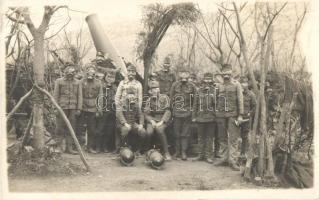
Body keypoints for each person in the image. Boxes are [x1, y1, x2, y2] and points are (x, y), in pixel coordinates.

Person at [214, 64, 244, 171]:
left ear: (231, 73)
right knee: (222, 137)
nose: (226, 75)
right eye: (224, 73)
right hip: (221, 115)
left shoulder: (237, 85)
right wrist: (216, 113)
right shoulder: (218, 85)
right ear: (222, 73)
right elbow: (215, 100)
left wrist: (240, 115)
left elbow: (240, 100)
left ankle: (233, 161)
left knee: (233, 138)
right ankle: (223, 158)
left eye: (228, 73)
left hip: (233, 115)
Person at [115, 63, 146, 153]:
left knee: (140, 131)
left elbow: (139, 98)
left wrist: (137, 111)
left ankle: (137, 149)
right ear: (127, 72)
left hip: (133, 111)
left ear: (135, 73)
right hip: (122, 111)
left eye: (133, 71)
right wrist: (118, 108)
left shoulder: (138, 84)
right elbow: (117, 96)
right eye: (129, 71)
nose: (131, 73)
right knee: (125, 130)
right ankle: (121, 148)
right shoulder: (122, 83)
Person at [53, 64, 82, 154]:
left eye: (72, 72)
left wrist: (79, 109)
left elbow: (80, 96)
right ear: (65, 71)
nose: (70, 73)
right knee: (59, 127)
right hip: (62, 107)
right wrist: (55, 108)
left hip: (73, 108)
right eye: (68, 71)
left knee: (72, 128)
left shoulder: (77, 82)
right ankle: (58, 146)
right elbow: (55, 95)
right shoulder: (59, 81)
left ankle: (69, 148)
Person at [170, 70, 197, 160]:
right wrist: (172, 111)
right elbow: (171, 99)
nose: (184, 77)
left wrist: (192, 113)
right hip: (177, 113)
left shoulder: (192, 86)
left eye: (186, 75)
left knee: (185, 134)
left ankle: (183, 152)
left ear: (188, 76)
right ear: (179, 76)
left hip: (187, 113)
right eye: (182, 75)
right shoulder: (175, 85)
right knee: (176, 133)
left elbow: (195, 101)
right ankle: (177, 152)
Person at [144, 80, 172, 161]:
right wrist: (151, 121)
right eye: (153, 89)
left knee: (159, 130)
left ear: (159, 89)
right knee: (149, 132)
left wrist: (162, 122)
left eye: (156, 89)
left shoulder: (165, 97)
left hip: (163, 119)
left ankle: (166, 152)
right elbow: (146, 114)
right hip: (153, 119)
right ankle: (147, 150)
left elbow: (168, 111)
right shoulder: (149, 100)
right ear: (150, 91)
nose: (154, 91)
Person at [78, 64, 103, 153]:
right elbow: (79, 95)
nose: (90, 72)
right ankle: (80, 147)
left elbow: (100, 97)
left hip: (93, 109)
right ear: (86, 71)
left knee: (91, 129)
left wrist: (99, 109)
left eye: (92, 71)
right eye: (89, 70)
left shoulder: (98, 83)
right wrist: (79, 108)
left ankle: (89, 147)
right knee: (80, 128)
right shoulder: (81, 82)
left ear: (95, 73)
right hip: (83, 108)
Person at [192, 72, 217, 163]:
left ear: (211, 80)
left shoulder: (215, 90)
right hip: (200, 117)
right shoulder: (199, 91)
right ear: (203, 80)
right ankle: (200, 155)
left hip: (211, 117)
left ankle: (209, 156)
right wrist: (194, 116)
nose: (207, 81)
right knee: (200, 137)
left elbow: (217, 104)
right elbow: (195, 105)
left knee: (209, 137)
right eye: (206, 79)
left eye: (209, 79)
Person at [96, 69, 117, 153]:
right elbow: (98, 98)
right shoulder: (101, 85)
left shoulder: (115, 88)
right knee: (100, 129)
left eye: (112, 77)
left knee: (109, 130)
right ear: (105, 77)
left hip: (111, 112)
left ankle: (105, 146)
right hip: (103, 110)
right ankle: (98, 147)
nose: (110, 79)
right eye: (109, 76)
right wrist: (99, 109)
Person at [239, 76, 256, 156]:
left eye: (245, 83)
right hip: (237, 118)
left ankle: (243, 153)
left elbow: (254, 106)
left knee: (245, 136)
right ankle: (235, 154)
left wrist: (250, 113)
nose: (243, 85)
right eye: (242, 83)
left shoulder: (251, 94)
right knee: (234, 136)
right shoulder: (237, 93)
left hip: (246, 118)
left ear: (247, 84)